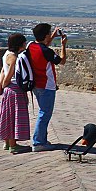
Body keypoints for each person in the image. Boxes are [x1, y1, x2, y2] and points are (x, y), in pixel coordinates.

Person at [27, 23, 67, 151]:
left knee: (42, 112)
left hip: (35, 85)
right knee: (44, 114)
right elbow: (62, 61)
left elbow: (43, 47)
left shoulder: (31, 46)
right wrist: (63, 45)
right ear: (45, 35)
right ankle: (38, 142)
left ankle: (42, 140)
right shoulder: (46, 51)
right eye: (49, 33)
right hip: (46, 86)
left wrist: (54, 35)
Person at [0, 32, 31, 153]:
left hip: (9, 91)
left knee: (7, 116)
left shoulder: (6, 54)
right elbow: (9, 74)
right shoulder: (14, 57)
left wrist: (0, 85)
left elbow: (3, 70)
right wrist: (4, 84)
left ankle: (7, 142)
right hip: (14, 90)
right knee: (14, 117)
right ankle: (13, 144)